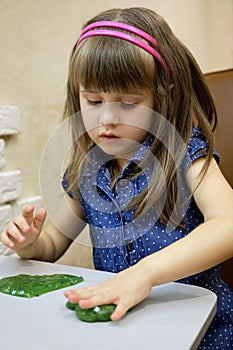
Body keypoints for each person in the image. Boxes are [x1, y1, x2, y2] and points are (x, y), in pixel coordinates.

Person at [1, 7, 233, 349]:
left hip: (199, 330)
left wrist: (145, 274)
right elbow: (50, 246)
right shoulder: (87, 169)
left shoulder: (185, 154)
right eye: (93, 100)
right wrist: (30, 244)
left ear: (161, 96)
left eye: (127, 103)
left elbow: (228, 223)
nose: (106, 118)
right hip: (121, 330)